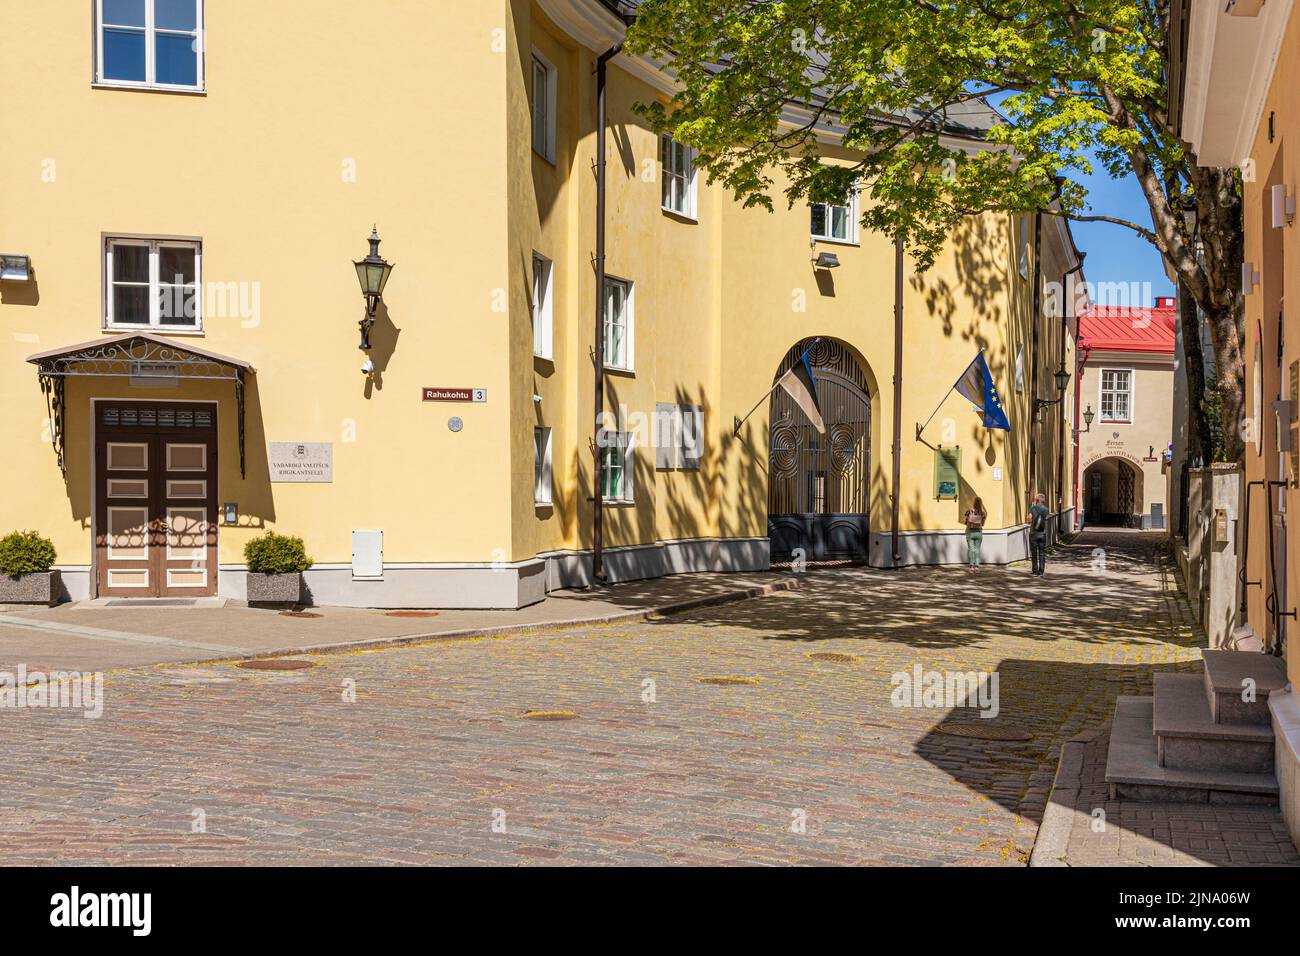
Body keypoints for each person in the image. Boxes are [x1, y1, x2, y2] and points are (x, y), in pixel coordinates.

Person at [1028, 492, 1050, 576]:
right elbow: (1045, 519)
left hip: (1033, 533)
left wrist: (1030, 521)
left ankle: (1035, 571)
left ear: (1037, 500)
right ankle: (1041, 571)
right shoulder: (1045, 509)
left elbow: (1029, 519)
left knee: (1034, 553)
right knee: (1042, 553)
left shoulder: (1032, 508)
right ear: (1043, 500)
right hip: (1042, 533)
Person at [963, 497, 987, 571]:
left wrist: (969, 521)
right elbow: (982, 524)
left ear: (974, 503)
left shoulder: (969, 511)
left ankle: (971, 566)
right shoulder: (983, 513)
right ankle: (977, 566)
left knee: (971, 549)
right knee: (977, 549)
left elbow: (966, 522)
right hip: (978, 532)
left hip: (970, 532)